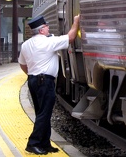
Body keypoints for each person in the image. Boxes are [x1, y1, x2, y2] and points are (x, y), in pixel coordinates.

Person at [18, 14, 80, 155]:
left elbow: (22, 64)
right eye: (46, 26)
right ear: (41, 30)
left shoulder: (26, 45)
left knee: (41, 113)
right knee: (44, 114)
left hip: (33, 80)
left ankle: (45, 144)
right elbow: (70, 37)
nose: (48, 28)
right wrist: (76, 22)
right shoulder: (47, 42)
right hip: (45, 82)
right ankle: (33, 143)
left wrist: (32, 74)